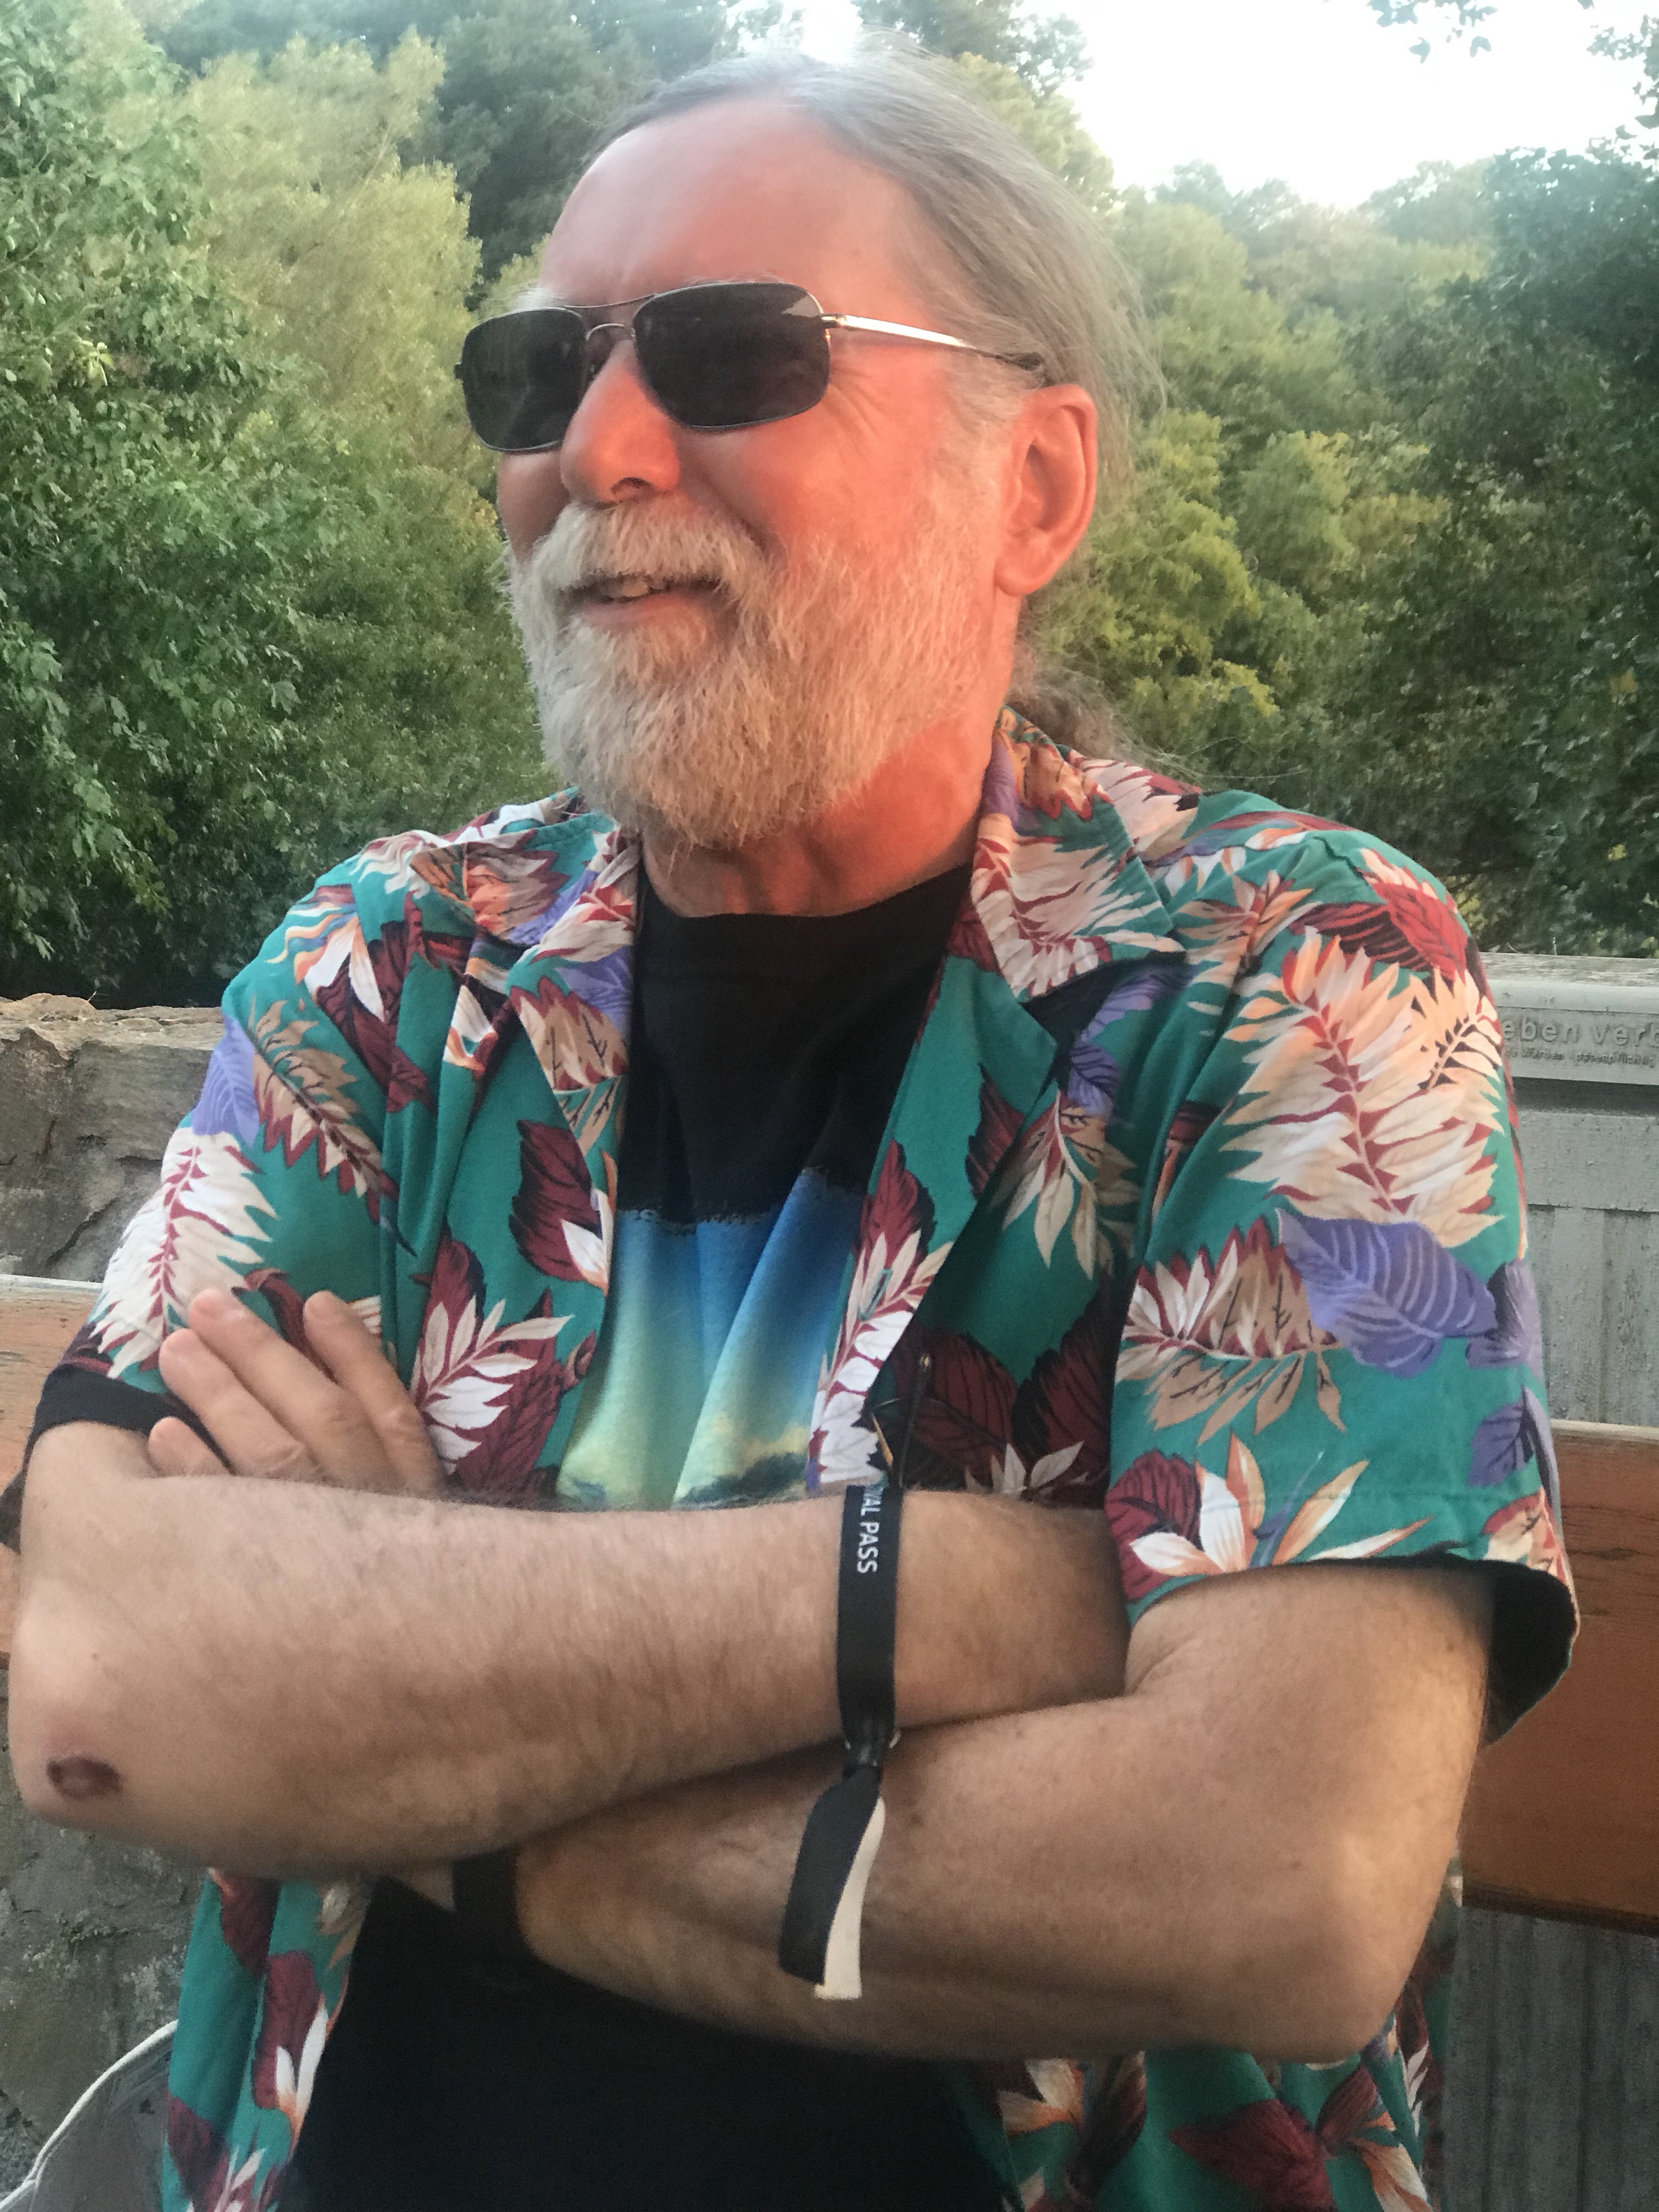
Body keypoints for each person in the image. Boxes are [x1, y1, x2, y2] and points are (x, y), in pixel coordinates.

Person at [5, 46, 1573, 2212]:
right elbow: (105, 1675)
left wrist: (411, 1741)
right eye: (537, 370)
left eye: (733, 353)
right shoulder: (396, 969)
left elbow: (1277, 1879)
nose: (597, 445)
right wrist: (924, 1595)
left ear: (1033, 487)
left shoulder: (1282, 975)